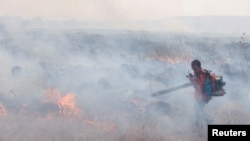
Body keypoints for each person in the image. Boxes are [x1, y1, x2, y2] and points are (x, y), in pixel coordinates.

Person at [188, 59, 213, 128]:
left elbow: (200, 87)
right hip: (203, 96)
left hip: (203, 96)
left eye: (193, 66)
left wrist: (192, 80)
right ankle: (198, 126)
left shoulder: (201, 74)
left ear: (196, 66)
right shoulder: (200, 72)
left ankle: (209, 120)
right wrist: (192, 78)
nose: (192, 67)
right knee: (198, 110)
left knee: (198, 109)